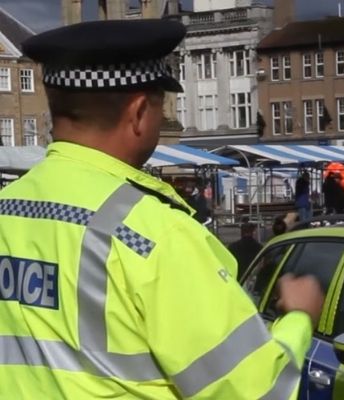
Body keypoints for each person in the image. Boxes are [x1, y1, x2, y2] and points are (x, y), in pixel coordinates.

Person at [0, 19, 324, 399]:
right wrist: (299, 319)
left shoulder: (9, 209)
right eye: (160, 104)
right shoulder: (151, 234)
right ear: (138, 113)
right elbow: (253, 390)